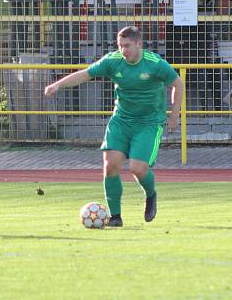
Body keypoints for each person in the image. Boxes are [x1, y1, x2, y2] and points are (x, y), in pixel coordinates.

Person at [44, 26, 184, 227]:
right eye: (120, 46)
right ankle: (115, 216)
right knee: (110, 166)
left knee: (138, 168)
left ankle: (151, 194)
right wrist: (58, 84)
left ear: (139, 44)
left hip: (148, 123)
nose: (123, 50)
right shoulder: (112, 61)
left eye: (127, 46)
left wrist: (174, 114)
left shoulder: (155, 64)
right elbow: (85, 75)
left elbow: (178, 84)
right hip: (121, 121)